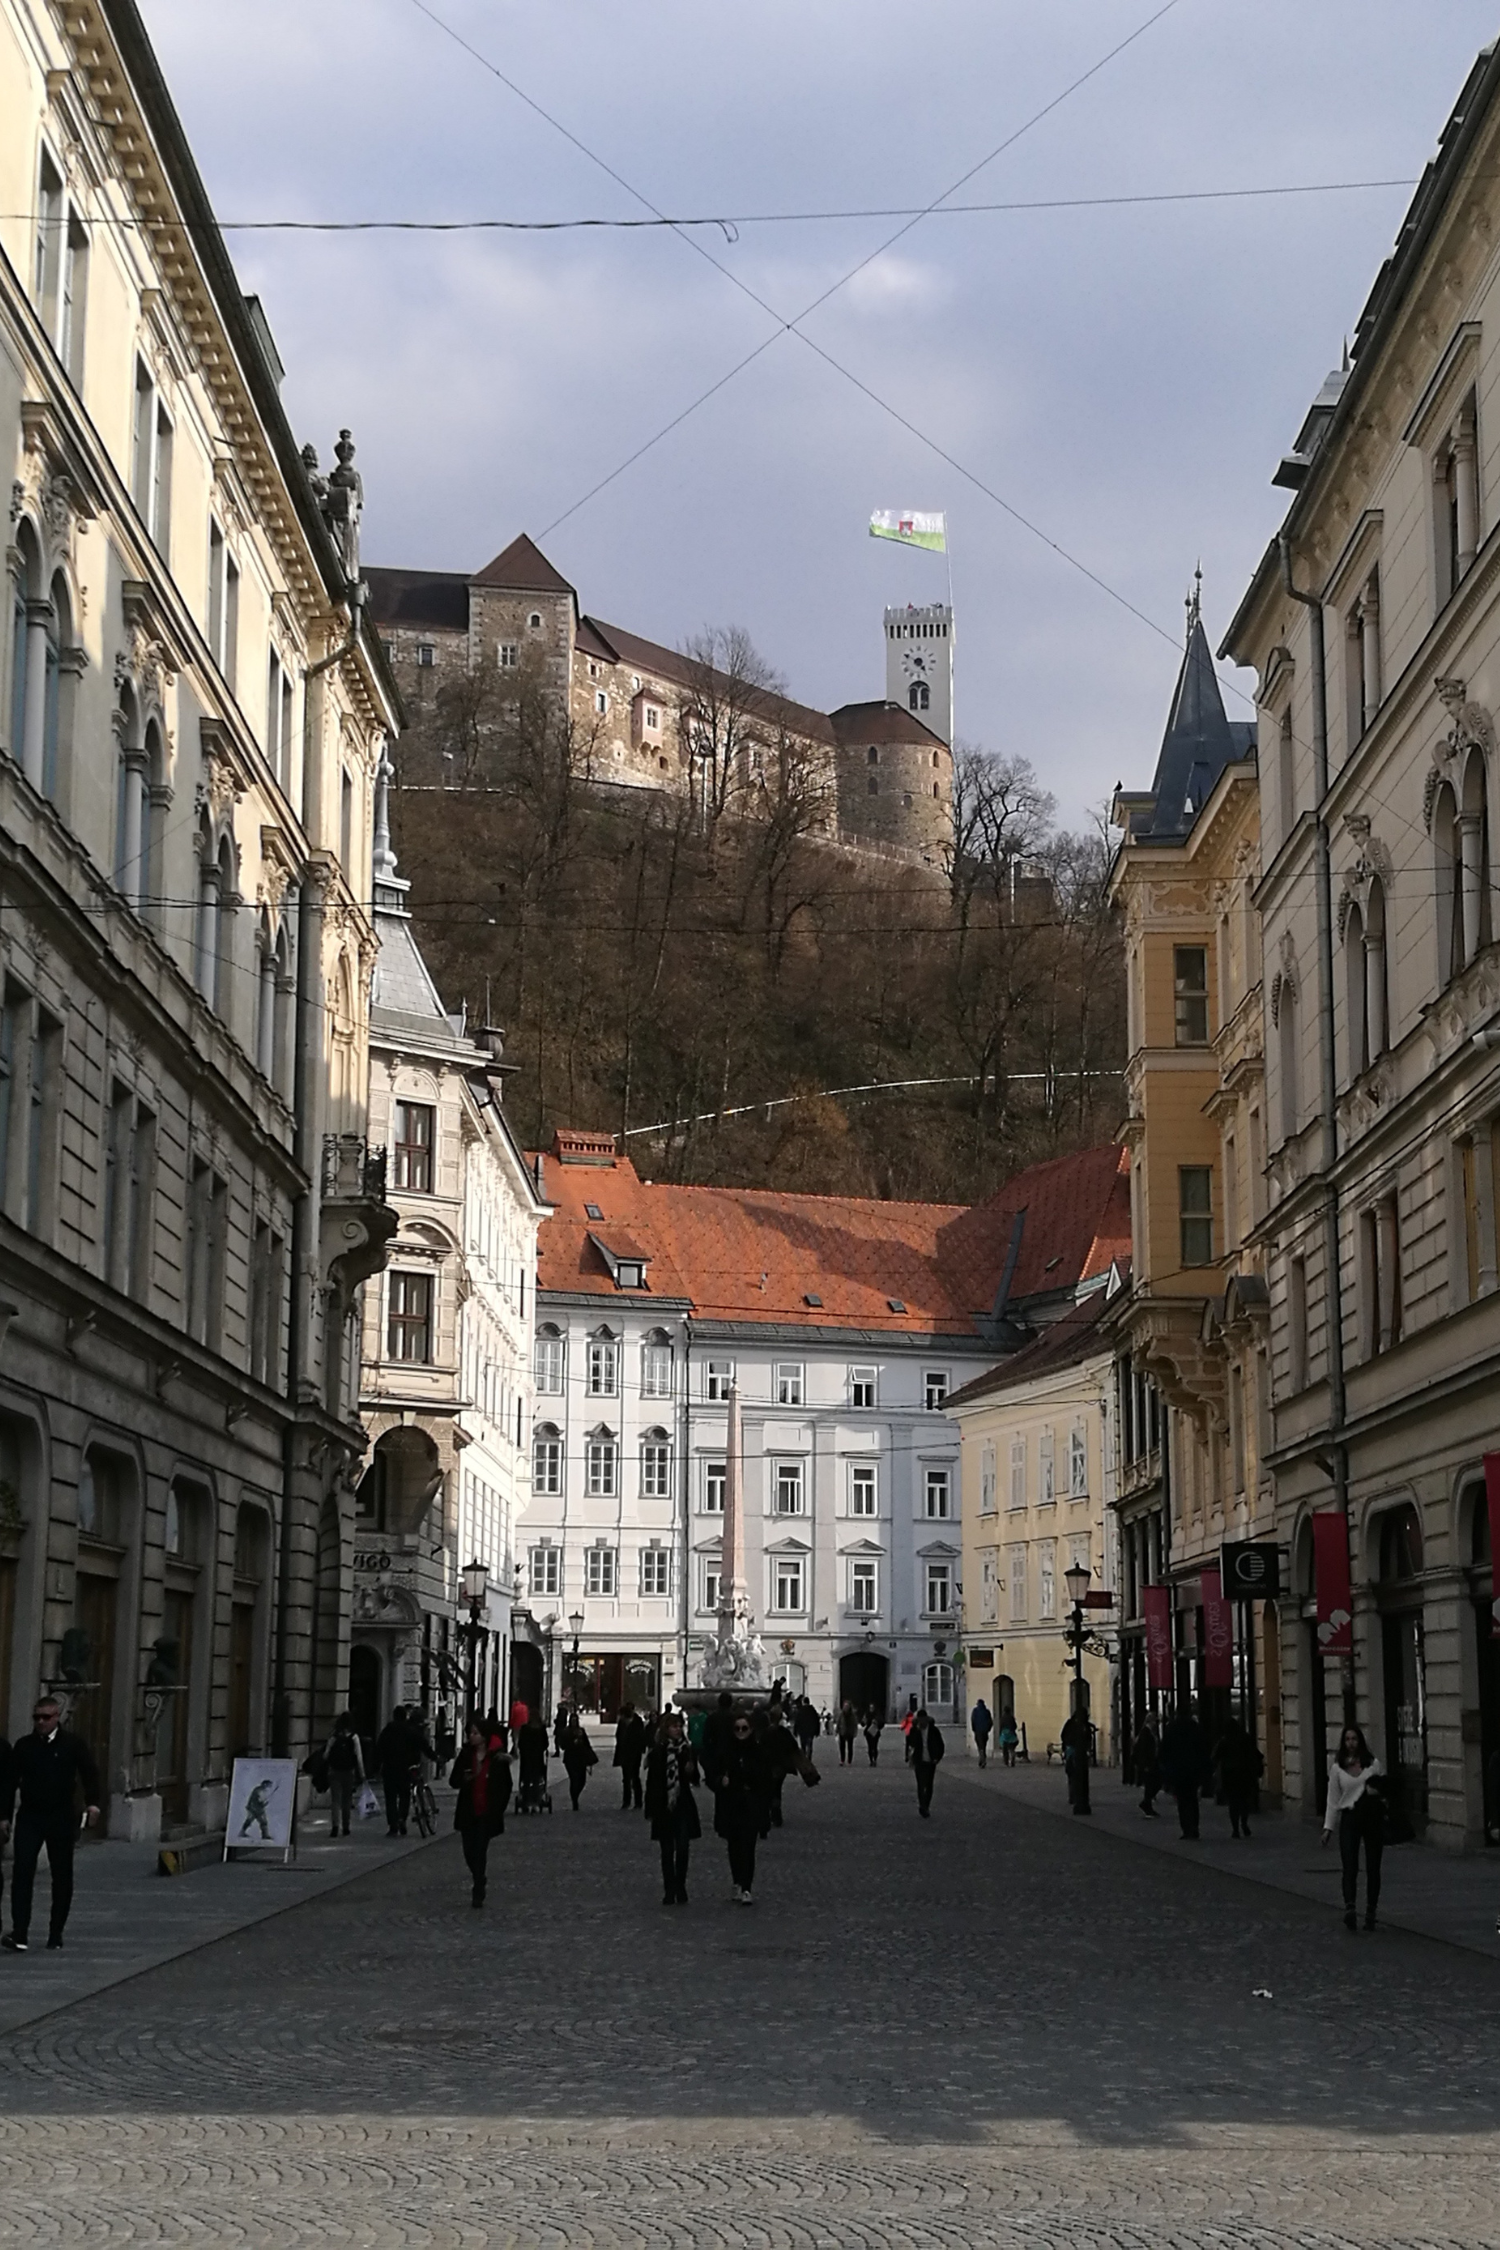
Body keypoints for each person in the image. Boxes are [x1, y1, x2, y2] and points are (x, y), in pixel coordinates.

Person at [1, 1695, 102, 1952]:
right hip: (30, 1816)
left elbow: (89, 1772)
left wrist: (93, 1803)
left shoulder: (72, 1744)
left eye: (46, 1717)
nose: (41, 1722)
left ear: (57, 1717)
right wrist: (4, 1816)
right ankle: (20, 1932)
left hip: (60, 1816)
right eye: (37, 1718)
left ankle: (55, 1932)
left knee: (61, 1874)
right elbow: (10, 1782)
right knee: (23, 1871)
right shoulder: (24, 1746)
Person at [1322, 1723, 1386, 1930]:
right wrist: (1328, 1828)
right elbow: (1332, 1800)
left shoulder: (1373, 1764)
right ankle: (1350, 1907)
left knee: (1373, 1867)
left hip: (1371, 1817)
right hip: (1349, 1818)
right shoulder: (1337, 1768)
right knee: (1349, 1866)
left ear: (1360, 1741)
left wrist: (1380, 1797)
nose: (1351, 1743)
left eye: (1354, 1739)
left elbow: (1385, 1790)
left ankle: (1371, 1911)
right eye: (1347, 1739)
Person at [450, 1719, 511, 1907]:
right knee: (469, 1851)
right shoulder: (466, 1755)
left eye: (475, 1733)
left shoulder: (497, 1758)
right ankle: (479, 1877)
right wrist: (464, 1778)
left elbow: (506, 1786)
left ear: (484, 1736)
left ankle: (478, 1888)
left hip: (486, 1812)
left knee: (480, 1850)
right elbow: (454, 1780)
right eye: (470, 1733)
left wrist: (498, 1808)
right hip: (468, 1811)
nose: (471, 1736)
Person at [713, 1709, 770, 1903]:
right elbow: (714, 1775)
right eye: (737, 1729)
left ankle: (746, 1887)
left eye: (744, 1728)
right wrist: (721, 1781)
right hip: (730, 1805)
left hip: (750, 1805)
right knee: (734, 1847)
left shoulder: (758, 1752)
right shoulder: (725, 1751)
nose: (740, 1732)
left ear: (750, 1730)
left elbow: (765, 1781)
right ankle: (737, 1881)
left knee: (748, 1847)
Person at [645, 1710, 701, 1904]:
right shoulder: (659, 1752)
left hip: (683, 1804)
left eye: (679, 1726)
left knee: (683, 1848)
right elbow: (653, 1782)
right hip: (664, 1806)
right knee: (667, 1850)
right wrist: (650, 1809)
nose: (678, 1729)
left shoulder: (687, 1750)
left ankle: (681, 1885)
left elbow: (695, 1778)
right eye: (674, 1726)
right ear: (666, 1729)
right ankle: (669, 1889)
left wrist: (691, 1771)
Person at [1159, 1699, 1211, 1840]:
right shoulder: (1195, 1727)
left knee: (1182, 1801)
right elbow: (1203, 1748)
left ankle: (1186, 1828)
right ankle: (1194, 1828)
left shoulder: (1172, 1727)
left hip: (1178, 1769)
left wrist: (1165, 1766)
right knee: (1193, 1799)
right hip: (1193, 1769)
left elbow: (1164, 1749)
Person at [1214, 1714, 1263, 1840]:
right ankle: (1244, 1824)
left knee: (1233, 1803)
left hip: (1230, 1775)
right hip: (1245, 1774)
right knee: (1244, 1801)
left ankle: (1235, 1829)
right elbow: (1256, 1754)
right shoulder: (1245, 1738)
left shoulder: (1224, 1741)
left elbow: (1214, 1756)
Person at [375, 1706, 419, 1837]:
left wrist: (376, 1767)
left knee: (391, 1798)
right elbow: (421, 1743)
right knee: (405, 1795)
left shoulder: (387, 1731)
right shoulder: (410, 1730)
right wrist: (433, 1756)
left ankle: (393, 1825)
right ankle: (402, 1818)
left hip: (389, 1769)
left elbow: (379, 1749)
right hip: (405, 1769)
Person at [322, 1712, 365, 1838]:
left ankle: (335, 1826)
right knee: (347, 1800)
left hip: (334, 1771)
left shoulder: (334, 1737)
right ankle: (346, 1827)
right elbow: (359, 1756)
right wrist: (362, 1773)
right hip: (348, 1772)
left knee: (335, 1800)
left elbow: (326, 1755)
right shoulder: (354, 1737)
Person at [908, 1706, 945, 1818]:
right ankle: (922, 1805)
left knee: (929, 1784)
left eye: (923, 1720)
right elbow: (910, 1743)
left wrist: (937, 1758)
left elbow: (941, 1745)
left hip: (930, 1761)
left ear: (926, 1719)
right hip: (919, 1760)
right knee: (920, 1784)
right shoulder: (914, 1730)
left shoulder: (934, 1731)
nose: (922, 1722)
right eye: (919, 1720)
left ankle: (926, 1805)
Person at [613, 1702, 647, 1811]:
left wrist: (640, 1750)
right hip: (624, 1753)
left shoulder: (637, 1722)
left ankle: (638, 1802)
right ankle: (626, 1801)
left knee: (635, 1778)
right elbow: (618, 1736)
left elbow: (641, 1737)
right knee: (626, 1779)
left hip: (634, 1753)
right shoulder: (622, 1723)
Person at [1060, 1704, 1092, 1814]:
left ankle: (1073, 1796)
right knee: (1080, 1773)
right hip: (1078, 1750)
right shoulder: (1084, 1725)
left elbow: (1063, 1735)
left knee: (1072, 1774)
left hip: (1071, 1749)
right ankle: (1081, 1797)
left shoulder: (1070, 1723)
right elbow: (1088, 1737)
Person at [562, 1716, 597, 1810]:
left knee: (582, 1780)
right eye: (572, 1721)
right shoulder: (566, 1731)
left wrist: (590, 1756)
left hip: (581, 1758)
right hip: (570, 1758)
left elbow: (587, 1744)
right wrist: (572, 1742)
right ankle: (574, 1800)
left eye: (576, 1720)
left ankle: (576, 1795)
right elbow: (563, 1745)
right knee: (574, 1780)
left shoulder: (581, 1730)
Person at [1132, 1715, 1161, 1817]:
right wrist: (1144, 1764)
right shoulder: (1146, 1733)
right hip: (1148, 1763)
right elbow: (1143, 1750)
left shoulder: (1150, 1732)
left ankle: (1147, 1804)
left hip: (1151, 1762)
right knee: (1152, 1784)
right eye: (1155, 1721)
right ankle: (1147, 1804)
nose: (1156, 1724)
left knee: (1152, 1784)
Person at [970, 1698, 994, 1769]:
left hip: (978, 1731)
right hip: (985, 1731)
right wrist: (988, 1729)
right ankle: (983, 1759)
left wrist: (974, 1729)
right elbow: (990, 1722)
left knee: (980, 1746)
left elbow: (973, 1721)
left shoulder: (975, 1711)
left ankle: (982, 1759)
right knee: (984, 1745)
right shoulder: (987, 1712)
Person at [837, 1701, 858, 1767]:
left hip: (850, 1732)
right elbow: (839, 1722)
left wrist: (855, 1732)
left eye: (847, 1706)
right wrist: (837, 1730)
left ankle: (849, 1761)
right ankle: (842, 1760)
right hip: (842, 1732)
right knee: (842, 1747)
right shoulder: (841, 1714)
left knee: (850, 1747)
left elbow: (855, 1724)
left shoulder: (852, 1715)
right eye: (844, 1706)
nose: (845, 1708)